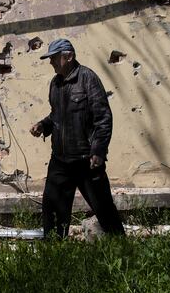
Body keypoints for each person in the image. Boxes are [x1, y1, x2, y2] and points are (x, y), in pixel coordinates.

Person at [30, 38, 125, 239]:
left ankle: (122, 248)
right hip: (60, 160)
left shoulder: (88, 79)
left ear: (69, 57)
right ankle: (56, 255)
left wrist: (98, 151)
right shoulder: (55, 84)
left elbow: (103, 118)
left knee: (104, 208)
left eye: (54, 58)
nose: (51, 62)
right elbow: (57, 115)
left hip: (86, 160)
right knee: (53, 210)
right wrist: (43, 125)